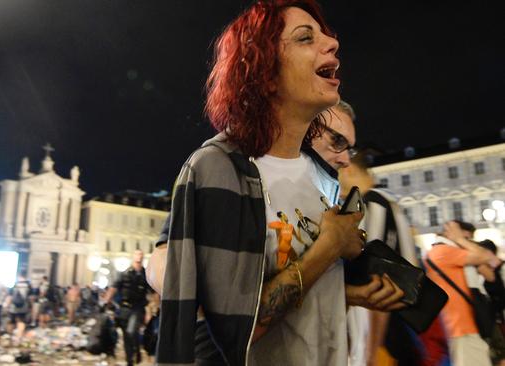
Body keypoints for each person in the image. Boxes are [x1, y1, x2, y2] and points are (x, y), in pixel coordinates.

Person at [153, 2, 406, 365]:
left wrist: (347, 291)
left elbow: (294, 297)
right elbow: (240, 328)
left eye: (327, 35)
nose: (332, 43)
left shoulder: (321, 179)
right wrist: (330, 245)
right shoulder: (220, 167)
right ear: (264, 73)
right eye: (306, 38)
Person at [338, 149, 424, 365]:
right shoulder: (387, 200)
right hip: (396, 322)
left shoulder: (372, 204)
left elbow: (380, 278)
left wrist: (372, 351)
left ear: (347, 170)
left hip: (381, 329)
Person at [425, 221, 501, 366]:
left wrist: (460, 241)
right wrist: (459, 239)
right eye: (466, 238)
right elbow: (487, 256)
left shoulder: (449, 252)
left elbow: (491, 268)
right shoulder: (442, 251)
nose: (469, 243)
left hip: (467, 325)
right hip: (460, 328)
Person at [105, 250, 151, 366]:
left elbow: (152, 294)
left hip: (138, 308)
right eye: (137, 254)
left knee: (131, 331)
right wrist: (106, 301)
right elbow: (113, 288)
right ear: (133, 256)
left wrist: (150, 311)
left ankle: (136, 351)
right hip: (124, 309)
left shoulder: (146, 274)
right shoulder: (124, 273)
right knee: (126, 336)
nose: (139, 256)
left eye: (141, 254)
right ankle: (129, 361)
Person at [5, 271, 31, 341]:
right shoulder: (28, 285)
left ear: (19, 276)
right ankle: (19, 338)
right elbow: (31, 298)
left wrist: (7, 306)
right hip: (24, 306)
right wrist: (30, 307)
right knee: (21, 321)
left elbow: (9, 296)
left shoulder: (15, 284)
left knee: (12, 321)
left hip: (13, 307)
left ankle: (10, 338)